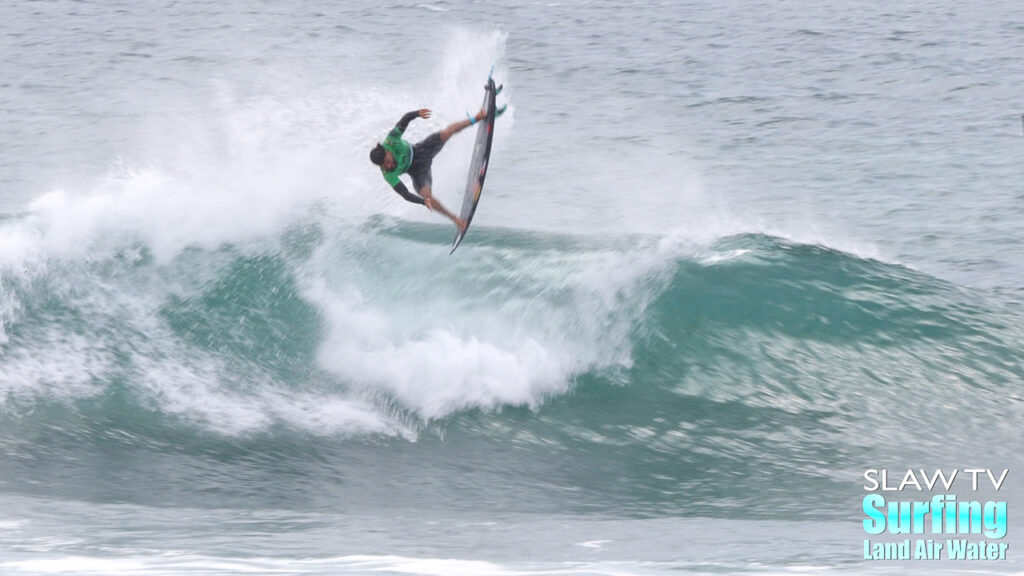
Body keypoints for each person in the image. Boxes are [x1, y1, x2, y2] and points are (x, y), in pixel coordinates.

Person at [369, 108, 490, 232]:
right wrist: (423, 202)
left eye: (388, 161)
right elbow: (405, 194)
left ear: (387, 151)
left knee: (446, 133)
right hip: (417, 172)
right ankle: (456, 220)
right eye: (385, 165)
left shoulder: (392, 140)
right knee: (427, 196)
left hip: (422, 150)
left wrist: (417, 114)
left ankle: (477, 117)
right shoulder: (388, 174)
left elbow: (405, 118)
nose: (388, 165)